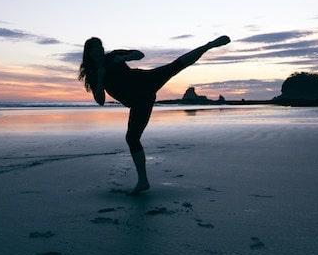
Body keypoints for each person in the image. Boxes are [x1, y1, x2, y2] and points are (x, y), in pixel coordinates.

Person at [78, 35, 231, 194]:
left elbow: (140, 54)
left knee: (174, 66)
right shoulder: (93, 73)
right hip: (140, 101)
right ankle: (143, 181)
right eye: (95, 49)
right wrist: (101, 78)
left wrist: (123, 57)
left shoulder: (113, 55)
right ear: (89, 53)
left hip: (146, 81)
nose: (99, 51)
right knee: (132, 138)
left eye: (100, 48)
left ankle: (208, 45)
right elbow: (100, 100)